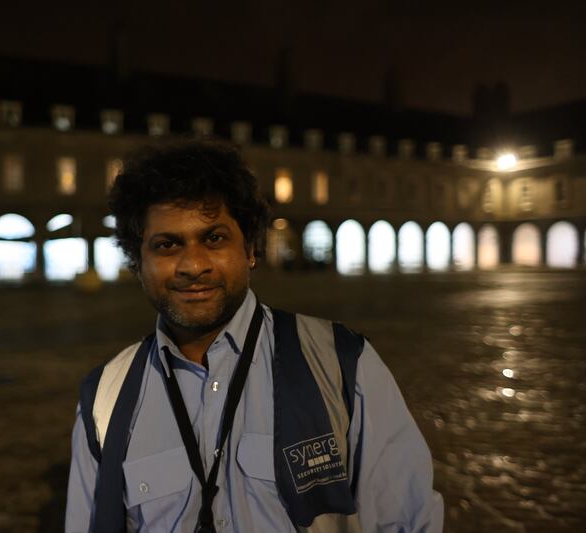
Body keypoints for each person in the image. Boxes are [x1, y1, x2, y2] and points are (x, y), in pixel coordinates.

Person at [65, 141, 443, 533]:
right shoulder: (105, 397)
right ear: (137, 263)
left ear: (249, 249)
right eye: (167, 245)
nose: (193, 266)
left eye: (213, 239)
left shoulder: (342, 363)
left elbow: (408, 521)